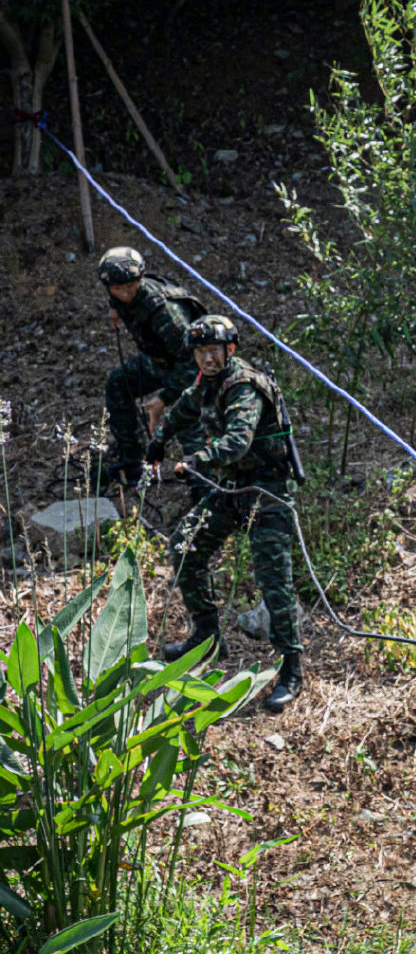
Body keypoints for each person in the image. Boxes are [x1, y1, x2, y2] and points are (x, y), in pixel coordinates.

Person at [145, 314, 305, 715]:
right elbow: (182, 409)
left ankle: (291, 668)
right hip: (234, 488)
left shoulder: (243, 386)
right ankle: (207, 636)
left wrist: (197, 459)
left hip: (267, 490)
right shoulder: (207, 382)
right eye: (200, 352)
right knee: (186, 544)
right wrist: (159, 442)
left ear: (229, 350)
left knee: (273, 580)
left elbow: (235, 442)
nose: (206, 359)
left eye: (212, 351)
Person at [95, 246, 207, 489]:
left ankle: (205, 493)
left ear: (141, 279)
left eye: (130, 287)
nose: (125, 293)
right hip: (159, 361)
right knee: (118, 384)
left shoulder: (163, 311)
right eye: (118, 289)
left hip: (192, 369)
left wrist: (164, 398)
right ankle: (132, 464)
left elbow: (192, 363)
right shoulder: (120, 291)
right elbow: (118, 294)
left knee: (187, 422)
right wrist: (115, 308)